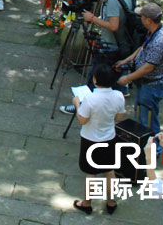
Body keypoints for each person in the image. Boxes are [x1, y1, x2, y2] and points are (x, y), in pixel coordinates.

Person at [70, 64, 127, 216]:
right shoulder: (119, 96)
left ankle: (87, 204)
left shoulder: (89, 99)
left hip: (90, 140)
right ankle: (110, 202)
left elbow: (82, 120)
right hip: (109, 137)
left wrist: (77, 104)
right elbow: (119, 117)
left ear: (95, 80)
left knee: (91, 173)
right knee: (109, 172)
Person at [115, 2, 163, 135]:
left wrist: (127, 78)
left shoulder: (159, 41)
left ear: (148, 20)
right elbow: (143, 47)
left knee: (148, 122)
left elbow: (148, 68)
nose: (139, 18)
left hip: (151, 87)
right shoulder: (154, 31)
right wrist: (126, 60)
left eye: (141, 16)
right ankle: (143, 146)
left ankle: (154, 149)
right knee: (141, 118)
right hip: (145, 85)